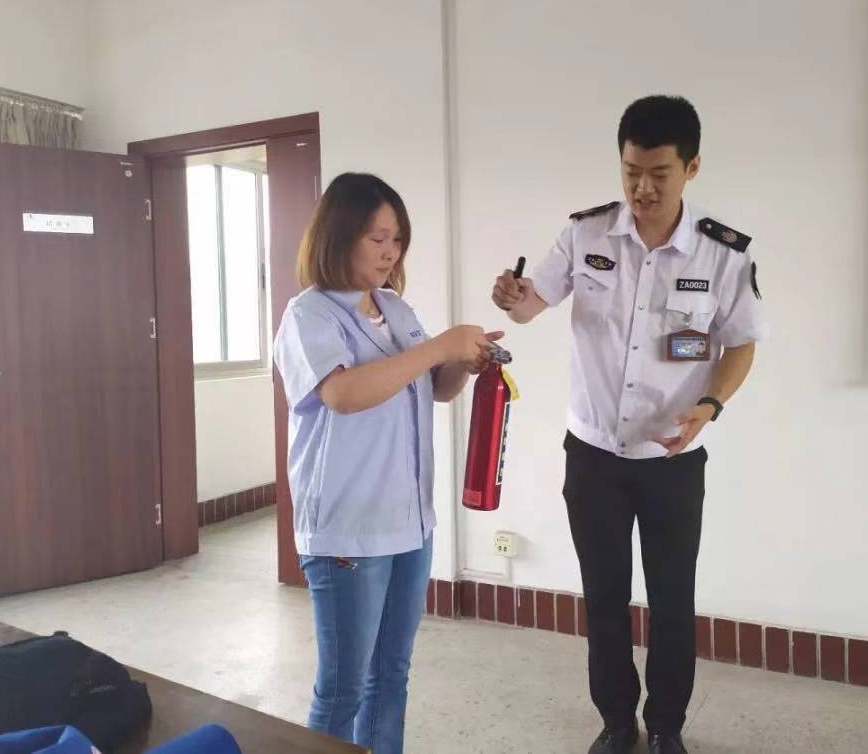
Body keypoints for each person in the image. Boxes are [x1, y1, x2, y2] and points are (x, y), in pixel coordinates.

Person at [492, 96, 768, 754]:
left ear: (691, 168)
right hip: (593, 455)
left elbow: (741, 344)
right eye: (631, 172)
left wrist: (711, 405)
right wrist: (514, 299)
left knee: (672, 601)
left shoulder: (722, 255)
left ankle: (666, 726)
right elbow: (533, 304)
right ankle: (617, 721)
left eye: (658, 174)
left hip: (673, 458)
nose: (642, 189)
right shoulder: (585, 235)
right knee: (604, 598)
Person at [274, 172, 500, 754]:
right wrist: (439, 346)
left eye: (397, 239)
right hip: (349, 527)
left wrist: (462, 363)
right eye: (377, 238)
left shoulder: (395, 308)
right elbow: (343, 393)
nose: (390, 252)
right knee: (343, 688)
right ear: (337, 235)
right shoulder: (309, 314)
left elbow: (434, 388)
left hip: (410, 522)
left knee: (391, 674)